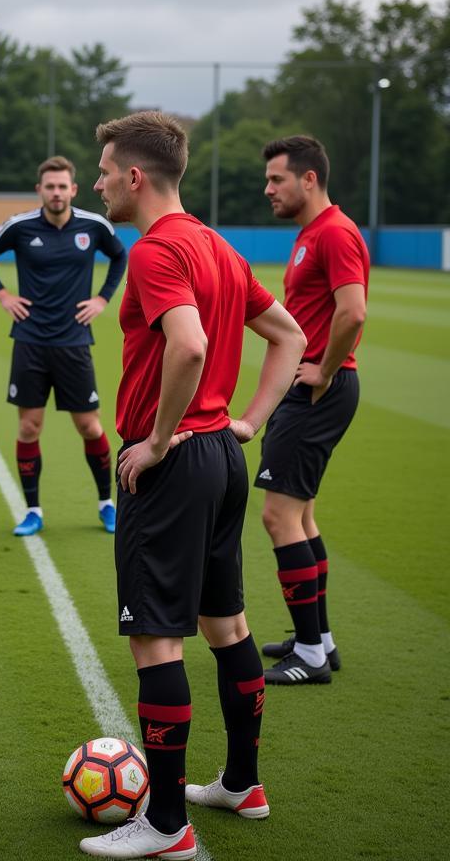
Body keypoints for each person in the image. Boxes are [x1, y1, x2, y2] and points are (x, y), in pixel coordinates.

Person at [80, 112, 306, 859]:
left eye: (106, 169)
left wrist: (152, 439)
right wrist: (247, 421)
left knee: (156, 641)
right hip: (221, 459)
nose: (97, 181)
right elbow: (290, 337)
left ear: (136, 177)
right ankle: (243, 783)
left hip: (174, 464)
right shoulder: (216, 244)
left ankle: (167, 824)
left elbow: (190, 344)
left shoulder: (154, 252)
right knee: (229, 626)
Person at [255, 136, 369, 685]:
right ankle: (318, 637)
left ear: (309, 179)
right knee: (300, 515)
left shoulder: (335, 233)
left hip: (319, 388)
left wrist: (323, 370)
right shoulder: (312, 234)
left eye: (277, 179)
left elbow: (354, 309)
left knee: (278, 516)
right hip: (313, 387)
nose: (268, 188)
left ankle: (311, 655)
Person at [0, 155, 127, 536]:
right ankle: (33, 511)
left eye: (63, 186)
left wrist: (103, 298)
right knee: (29, 426)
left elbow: (120, 255)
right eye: (50, 186)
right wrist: (3, 295)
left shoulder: (94, 226)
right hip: (30, 341)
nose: (56, 193)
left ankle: (107, 504)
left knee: (90, 427)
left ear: (73, 190)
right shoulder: (20, 226)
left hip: (74, 342)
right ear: (39, 190)